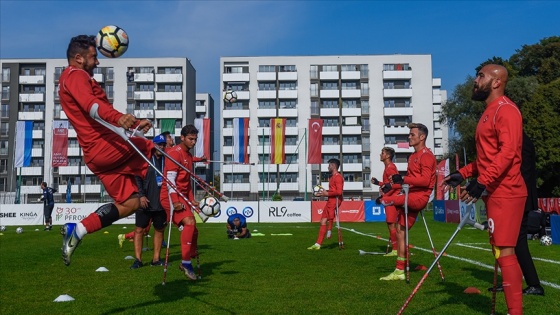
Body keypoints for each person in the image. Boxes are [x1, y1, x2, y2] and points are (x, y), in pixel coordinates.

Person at [58, 35, 154, 266]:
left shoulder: (74, 78)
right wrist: (120, 117)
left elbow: (101, 111)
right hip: (103, 147)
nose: (97, 62)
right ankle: (167, 207)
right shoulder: (75, 75)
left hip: (100, 154)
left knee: (131, 203)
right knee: (151, 147)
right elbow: (91, 106)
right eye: (94, 57)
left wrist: (132, 122)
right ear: (78, 58)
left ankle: (78, 230)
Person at [443, 64, 525, 314]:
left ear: (497, 81)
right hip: (495, 190)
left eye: (481, 76)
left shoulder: (506, 110)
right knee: (498, 249)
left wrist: (482, 182)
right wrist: (464, 173)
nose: (475, 81)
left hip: (507, 190)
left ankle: (515, 312)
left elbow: (508, 153)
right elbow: (488, 158)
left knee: (504, 249)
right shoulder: (488, 112)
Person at [378, 123, 436, 281]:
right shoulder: (412, 157)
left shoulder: (427, 156)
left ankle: (387, 201)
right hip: (409, 195)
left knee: (389, 201)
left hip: (419, 198)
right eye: (409, 134)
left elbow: (424, 181)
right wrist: (392, 184)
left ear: (422, 137)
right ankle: (399, 270)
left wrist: (401, 180)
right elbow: (408, 182)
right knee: (400, 231)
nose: (409, 137)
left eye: (412, 134)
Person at [489, 132, 545, 296]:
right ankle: (510, 281)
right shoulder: (518, 139)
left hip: (519, 197)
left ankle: (533, 284)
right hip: (518, 196)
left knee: (517, 242)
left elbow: (520, 172)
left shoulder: (519, 141)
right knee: (508, 242)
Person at [159, 124, 200, 280]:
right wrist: (175, 202)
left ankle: (188, 255)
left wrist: (191, 200)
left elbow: (186, 182)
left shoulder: (188, 156)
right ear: (182, 138)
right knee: (189, 222)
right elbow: (170, 181)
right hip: (169, 196)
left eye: (195, 139)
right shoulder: (174, 153)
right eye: (190, 139)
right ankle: (186, 262)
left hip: (182, 196)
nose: (193, 142)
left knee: (193, 230)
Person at [129, 134, 168, 269]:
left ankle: (156, 259)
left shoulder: (167, 160)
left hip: (161, 202)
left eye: (163, 145)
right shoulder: (145, 159)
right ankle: (138, 260)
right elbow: (137, 178)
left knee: (159, 230)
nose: (161, 147)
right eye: (158, 144)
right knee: (139, 230)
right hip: (145, 201)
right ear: (153, 145)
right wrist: (141, 195)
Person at [308, 158, 344, 250]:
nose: (328, 167)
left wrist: (327, 193)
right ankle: (318, 244)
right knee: (322, 221)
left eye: (329, 165)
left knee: (330, 215)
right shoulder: (331, 177)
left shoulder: (338, 177)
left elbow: (339, 192)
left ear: (334, 166)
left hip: (335, 200)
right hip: (330, 199)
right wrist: (322, 194)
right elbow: (332, 191)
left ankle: (329, 230)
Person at [371, 147, 399, 256]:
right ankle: (397, 248)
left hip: (391, 199)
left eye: (382, 153)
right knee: (391, 224)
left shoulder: (390, 168)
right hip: (390, 198)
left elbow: (395, 186)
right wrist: (378, 183)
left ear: (387, 156)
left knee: (391, 223)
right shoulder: (388, 167)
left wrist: (384, 197)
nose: (380, 154)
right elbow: (388, 184)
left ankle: (396, 249)